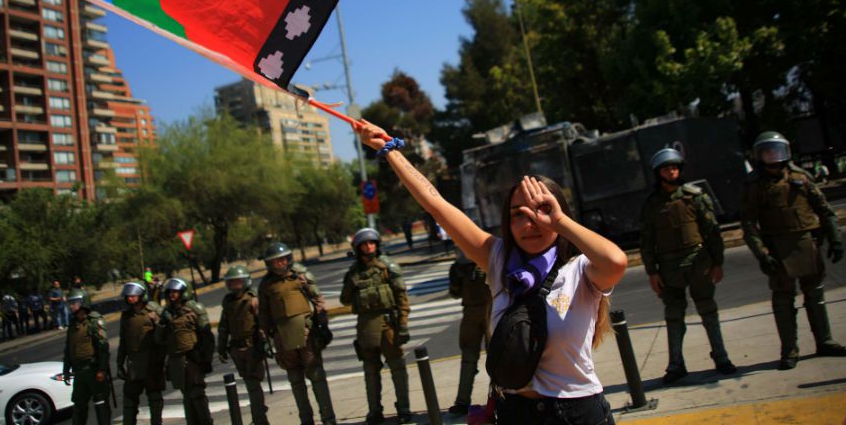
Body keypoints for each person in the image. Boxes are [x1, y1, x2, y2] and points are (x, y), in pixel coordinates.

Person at [356, 121, 627, 425]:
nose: (529, 224)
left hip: (575, 414)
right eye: (517, 215)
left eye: (540, 213)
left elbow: (616, 262)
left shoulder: (580, 270)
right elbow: (436, 204)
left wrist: (560, 221)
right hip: (513, 414)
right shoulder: (499, 261)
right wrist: (388, 149)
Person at [741, 131, 846, 370]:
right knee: (783, 301)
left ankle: (824, 340)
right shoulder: (755, 185)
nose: (773, 156)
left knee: (815, 294)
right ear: (760, 156)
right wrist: (762, 255)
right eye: (767, 152)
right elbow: (749, 225)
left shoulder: (801, 178)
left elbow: (825, 210)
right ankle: (789, 350)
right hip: (777, 250)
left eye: (776, 150)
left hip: (807, 244)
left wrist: (836, 239)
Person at [639, 147, 736, 384]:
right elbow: (647, 242)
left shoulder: (695, 197)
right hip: (669, 268)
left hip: (699, 261)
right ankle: (675, 365)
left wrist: (717, 262)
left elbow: (712, 233)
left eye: (674, 167)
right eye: (666, 169)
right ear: (658, 173)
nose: (671, 172)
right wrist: (652, 272)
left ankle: (721, 357)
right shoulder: (652, 205)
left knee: (708, 310)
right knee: (673, 316)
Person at [258, 243, 336, 425]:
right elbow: (263, 312)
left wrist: (323, 324)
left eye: (282, 260)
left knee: (316, 374)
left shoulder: (300, 275)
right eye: (274, 261)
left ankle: (328, 418)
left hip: (306, 332)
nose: (279, 264)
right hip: (282, 336)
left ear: (288, 259)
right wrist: (265, 338)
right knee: (295, 378)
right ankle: (306, 419)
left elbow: (318, 299)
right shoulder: (266, 284)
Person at [340, 228, 412, 424]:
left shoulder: (388, 267)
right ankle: (374, 410)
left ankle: (404, 408)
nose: (369, 247)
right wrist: (352, 282)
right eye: (364, 244)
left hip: (389, 325)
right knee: (371, 371)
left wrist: (403, 325)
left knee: (398, 367)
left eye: (372, 243)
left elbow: (402, 299)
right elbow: (345, 299)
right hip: (365, 328)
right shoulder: (354, 273)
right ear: (358, 248)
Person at [157, 277, 214, 425]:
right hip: (176, 360)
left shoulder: (195, 309)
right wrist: (162, 324)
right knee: (187, 396)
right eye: (170, 292)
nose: (172, 295)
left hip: (193, 358)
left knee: (197, 394)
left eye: (175, 292)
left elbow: (206, 336)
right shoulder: (167, 313)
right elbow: (160, 340)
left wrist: (205, 359)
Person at [218, 265, 270, 425]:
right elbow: (224, 327)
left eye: (238, 282)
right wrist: (221, 348)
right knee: (249, 383)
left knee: (253, 385)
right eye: (231, 282)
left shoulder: (252, 300)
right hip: (236, 348)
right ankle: (259, 416)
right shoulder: (228, 302)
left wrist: (265, 344)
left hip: (252, 347)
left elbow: (262, 323)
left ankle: (259, 419)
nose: (235, 286)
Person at [447, 251, 492, 416]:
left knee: (495, 359)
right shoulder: (460, 266)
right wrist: (457, 278)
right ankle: (462, 401)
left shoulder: (490, 258)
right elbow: (454, 293)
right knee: (468, 359)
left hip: (490, 311)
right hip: (471, 314)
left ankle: (498, 398)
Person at [117, 281, 166, 425]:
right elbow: (123, 342)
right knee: (129, 400)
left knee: (154, 398)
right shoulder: (126, 316)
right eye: (128, 296)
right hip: (134, 364)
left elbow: (165, 335)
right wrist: (119, 363)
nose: (130, 298)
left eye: (133, 295)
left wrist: (157, 321)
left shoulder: (153, 310)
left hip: (152, 362)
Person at [63, 289, 111, 425]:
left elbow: (103, 347)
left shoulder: (94, 321)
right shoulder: (73, 324)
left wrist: (102, 369)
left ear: (83, 303)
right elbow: (68, 350)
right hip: (79, 372)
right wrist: (66, 369)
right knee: (78, 405)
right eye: (70, 303)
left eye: (75, 303)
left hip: (93, 369)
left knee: (101, 403)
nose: (71, 306)